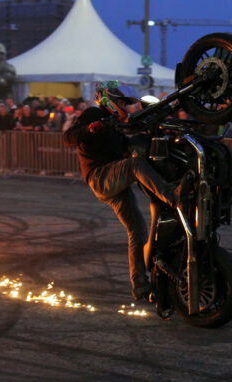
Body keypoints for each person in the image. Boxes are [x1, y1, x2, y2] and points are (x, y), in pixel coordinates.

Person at [63, 81, 190, 301]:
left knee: (137, 229)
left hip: (114, 181)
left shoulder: (116, 128)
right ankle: (173, 196)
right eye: (121, 101)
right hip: (100, 177)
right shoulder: (93, 114)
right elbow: (69, 138)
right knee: (135, 165)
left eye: (125, 102)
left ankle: (140, 286)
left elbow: (131, 140)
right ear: (108, 99)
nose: (124, 106)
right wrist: (89, 129)